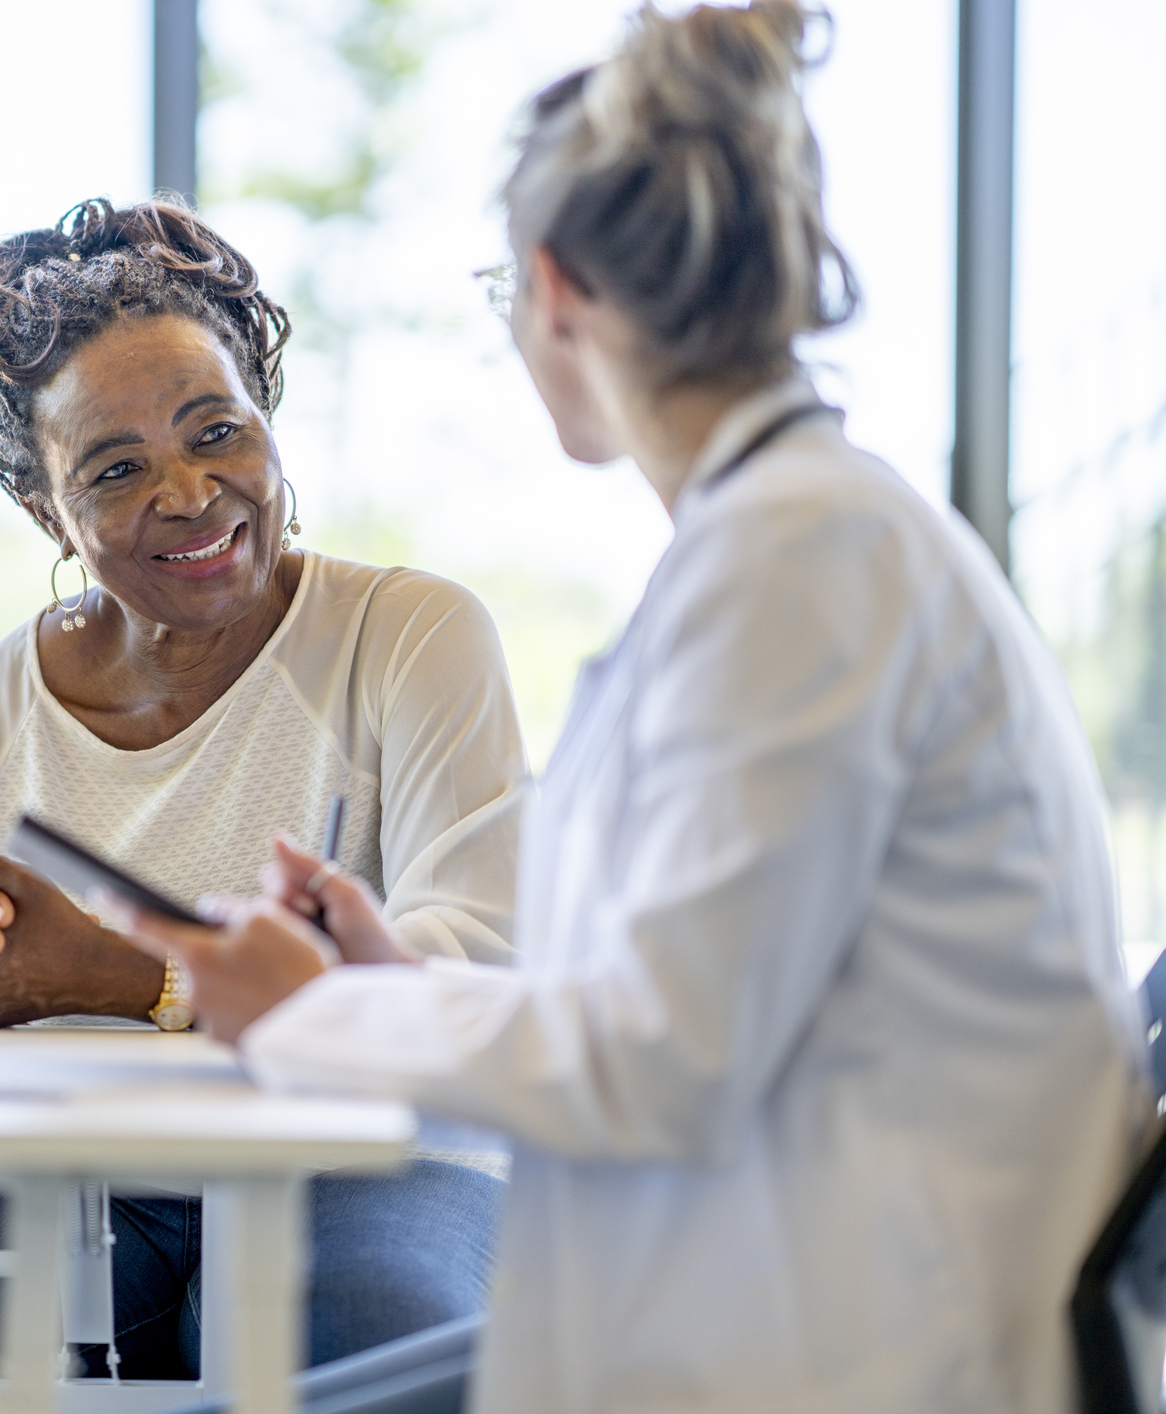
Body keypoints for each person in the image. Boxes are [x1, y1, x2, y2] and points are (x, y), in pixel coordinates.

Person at [104, 6, 1156, 1412]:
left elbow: (663, 1062)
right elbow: (688, 994)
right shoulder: (789, 542)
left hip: (875, 1350)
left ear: (554, 289)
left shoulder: (804, 563)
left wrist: (308, 1017)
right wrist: (395, 992)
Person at [0, 198, 526, 1379]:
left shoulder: (407, 635)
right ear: (44, 506)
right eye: (118, 467)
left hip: (373, 1159)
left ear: (267, 423)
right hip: (83, 1180)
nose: (188, 495)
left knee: (354, 1335)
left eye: (217, 433)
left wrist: (118, 976)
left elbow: (474, 959)